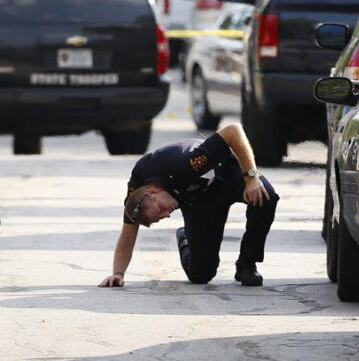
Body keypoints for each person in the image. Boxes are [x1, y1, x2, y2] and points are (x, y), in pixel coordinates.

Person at [99, 123, 279, 288]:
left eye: (161, 210)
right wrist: (118, 273)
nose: (167, 215)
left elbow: (233, 130)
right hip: (198, 201)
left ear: (152, 192)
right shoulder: (136, 192)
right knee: (201, 274)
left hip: (226, 176)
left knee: (266, 196)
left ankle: (247, 264)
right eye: (161, 217)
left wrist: (251, 176)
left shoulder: (187, 163)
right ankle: (185, 237)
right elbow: (128, 233)